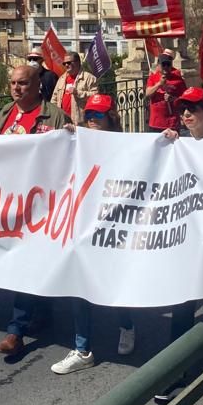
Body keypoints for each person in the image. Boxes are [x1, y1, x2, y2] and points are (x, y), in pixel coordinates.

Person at [51, 93, 137, 374]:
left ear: (111, 118)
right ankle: (82, 347)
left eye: (98, 115)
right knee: (80, 285)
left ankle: (127, 325)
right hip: (83, 224)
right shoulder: (79, 143)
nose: (93, 120)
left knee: (112, 284)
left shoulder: (127, 146)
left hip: (113, 225)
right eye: (89, 115)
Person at [0, 64, 70, 356]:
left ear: (38, 85)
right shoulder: (4, 113)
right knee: (31, 264)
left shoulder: (56, 117)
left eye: (22, 83)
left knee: (27, 261)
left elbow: (69, 157)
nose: (16, 88)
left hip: (40, 204)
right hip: (9, 200)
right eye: (12, 83)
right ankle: (42, 311)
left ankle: (16, 331)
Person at [156, 87, 203, 402]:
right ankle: (177, 370)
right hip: (183, 239)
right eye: (183, 110)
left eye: (193, 109)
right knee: (182, 303)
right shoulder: (175, 145)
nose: (186, 115)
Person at [145, 48, 187, 133]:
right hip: (156, 123)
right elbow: (147, 93)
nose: (166, 67)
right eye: (164, 64)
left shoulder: (178, 80)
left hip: (172, 123)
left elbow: (184, 99)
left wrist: (174, 99)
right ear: (159, 65)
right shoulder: (153, 78)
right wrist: (159, 84)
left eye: (168, 65)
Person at [50, 51, 98, 124]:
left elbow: (96, 97)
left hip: (80, 123)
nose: (66, 65)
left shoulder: (89, 78)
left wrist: (78, 93)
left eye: (69, 62)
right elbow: (54, 99)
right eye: (64, 63)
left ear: (78, 62)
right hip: (62, 122)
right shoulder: (61, 79)